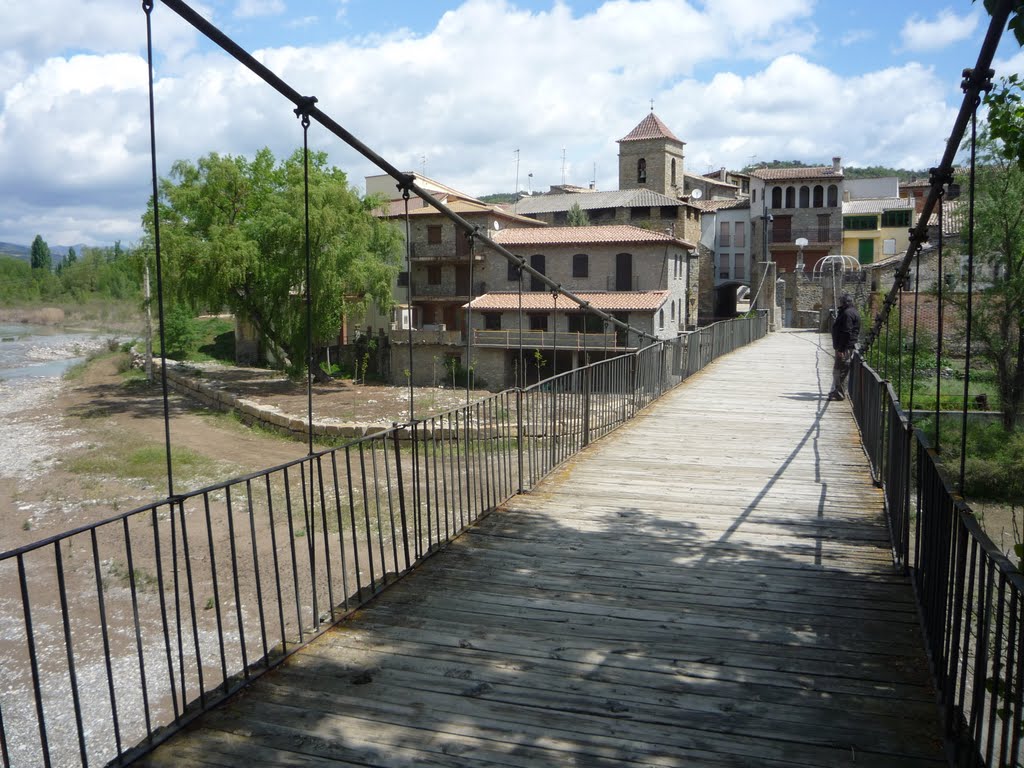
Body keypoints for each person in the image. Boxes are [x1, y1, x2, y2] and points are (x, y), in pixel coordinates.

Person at [828, 293, 860, 401]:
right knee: (840, 370)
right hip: (847, 347)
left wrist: (841, 349)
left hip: (845, 348)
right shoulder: (851, 312)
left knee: (840, 370)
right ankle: (837, 391)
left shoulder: (847, 314)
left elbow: (846, 332)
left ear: (845, 303)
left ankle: (839, 393)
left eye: (841, 301)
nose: (840, 304)